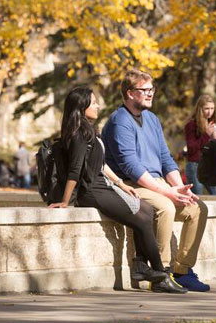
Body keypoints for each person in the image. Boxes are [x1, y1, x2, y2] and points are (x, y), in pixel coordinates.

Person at [49, 87, 185, 293]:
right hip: (91, 191)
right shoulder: (77, 134)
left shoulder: (89, 131)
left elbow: (101, 164)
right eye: (93, 103)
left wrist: (121, 184)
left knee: (146, 209)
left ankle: (140, 266)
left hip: (104, 185)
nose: (97, 106)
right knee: (140, 218)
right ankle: (160, 275)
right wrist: (66, 201)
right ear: (81, 106)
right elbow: (74, 171)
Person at [102, 70, 210, 292]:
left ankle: (182, 270)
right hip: (129, 185)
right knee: (165, 207)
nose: (150, 94)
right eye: (145, 90)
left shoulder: (152, 119)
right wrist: (166, 192)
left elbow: (165, 158)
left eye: (152, 90)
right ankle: (161, 274)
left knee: (198, 208)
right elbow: (131, 167)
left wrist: (178, 186)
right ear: (130, 93)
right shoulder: (119, 122)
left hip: (155, 182)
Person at [184, 94, 216, 195]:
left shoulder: (211, 123)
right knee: (197, 198)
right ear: (200, 109)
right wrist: (206, 134)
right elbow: (191, 148)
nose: (210, 112)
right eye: (206, 108)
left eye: (212, 108)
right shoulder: (191, 125)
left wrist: (215, 137)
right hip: (195, 165)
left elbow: (215, 148)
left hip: (208, 166)